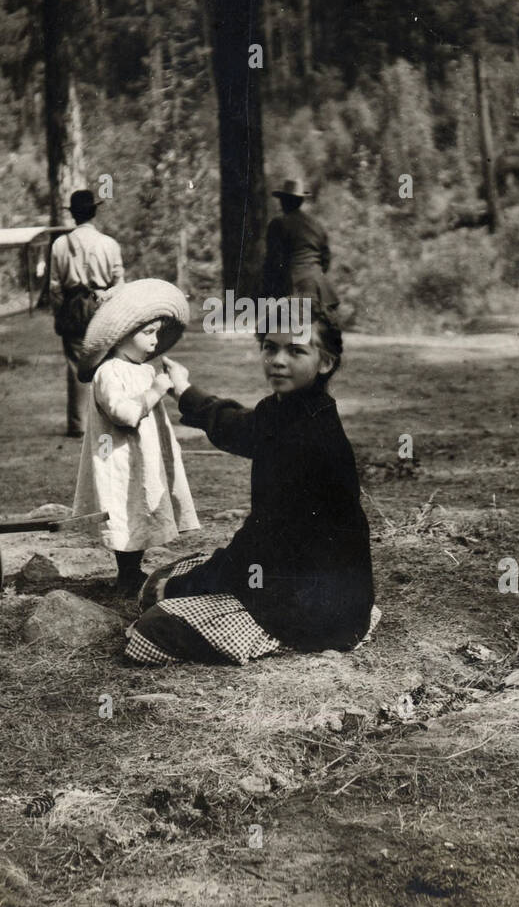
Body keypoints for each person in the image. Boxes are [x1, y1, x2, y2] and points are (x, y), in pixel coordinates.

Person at [124, 307, 377, 665]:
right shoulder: (291, 408)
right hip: (308, 578)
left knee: (153, 625)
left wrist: (184, 588)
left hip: (315, 604)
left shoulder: (308, 437)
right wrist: (184, 391)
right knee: (169, 577)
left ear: (325, 363)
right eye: (270, 348)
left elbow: (262, 542)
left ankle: (280, 636)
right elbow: (241, 427)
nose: (277, 360)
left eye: (296, 351)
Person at [73, 278, 199, 598]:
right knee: (125, 507)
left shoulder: (142, 369)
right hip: (119, 457)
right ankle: (126, 572)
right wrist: (156, 390)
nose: (155, 341)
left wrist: (170, 386)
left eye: (156, 332)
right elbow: (124, 415)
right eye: (148, 333)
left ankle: (133, 568)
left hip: (143, 456)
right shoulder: (109, 372)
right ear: (122, 336)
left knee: (141, 504)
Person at [50, 189, 125, 437]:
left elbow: (55, 287)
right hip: (102, 307)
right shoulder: (109, 244)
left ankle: (77, 424)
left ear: (73, 215)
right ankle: (110, 418)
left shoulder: (60, 245)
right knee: (106, 362)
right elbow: (119, 283)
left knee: (75, 365)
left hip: (72, 308)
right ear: (94, 212)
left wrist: (59, 314)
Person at [262, 178, 338, 318]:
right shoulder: (317, 225)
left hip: (291, 287)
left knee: (268, 332)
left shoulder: (278, 223)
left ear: (283, 201)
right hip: (321, 290)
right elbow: (325, 261)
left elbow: (273, 261)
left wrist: (265, 290)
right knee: (331, 334)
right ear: (301, 201)